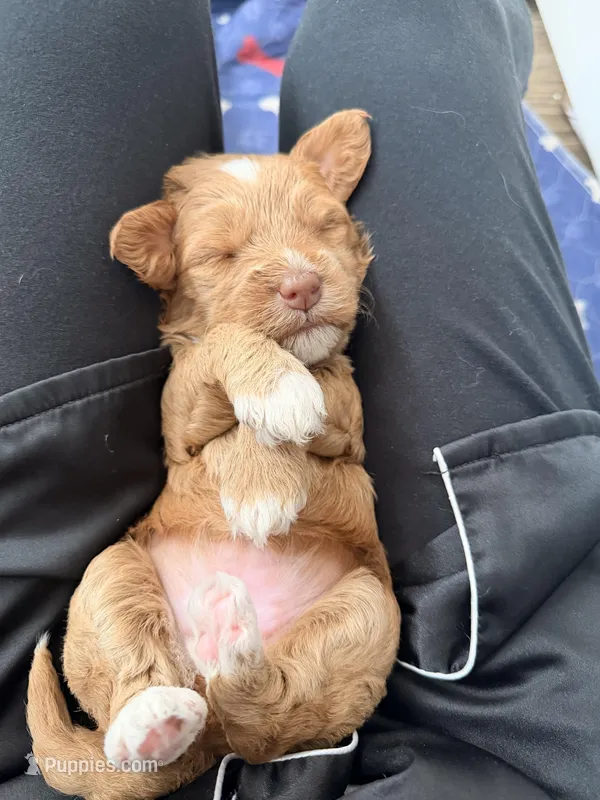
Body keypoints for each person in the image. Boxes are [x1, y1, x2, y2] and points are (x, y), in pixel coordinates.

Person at [1, 0, 599, 797]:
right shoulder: (207, 348)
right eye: (223, 252)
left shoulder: (328, 372)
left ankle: (240, 697)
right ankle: (147, 697)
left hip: (44, 724)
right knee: (410, 20)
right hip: (504, 729)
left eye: (324, 230)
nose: (299, 271)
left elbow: (336, 427)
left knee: (94, 17)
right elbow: (188, 425)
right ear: (163, 257)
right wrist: (240, 359)